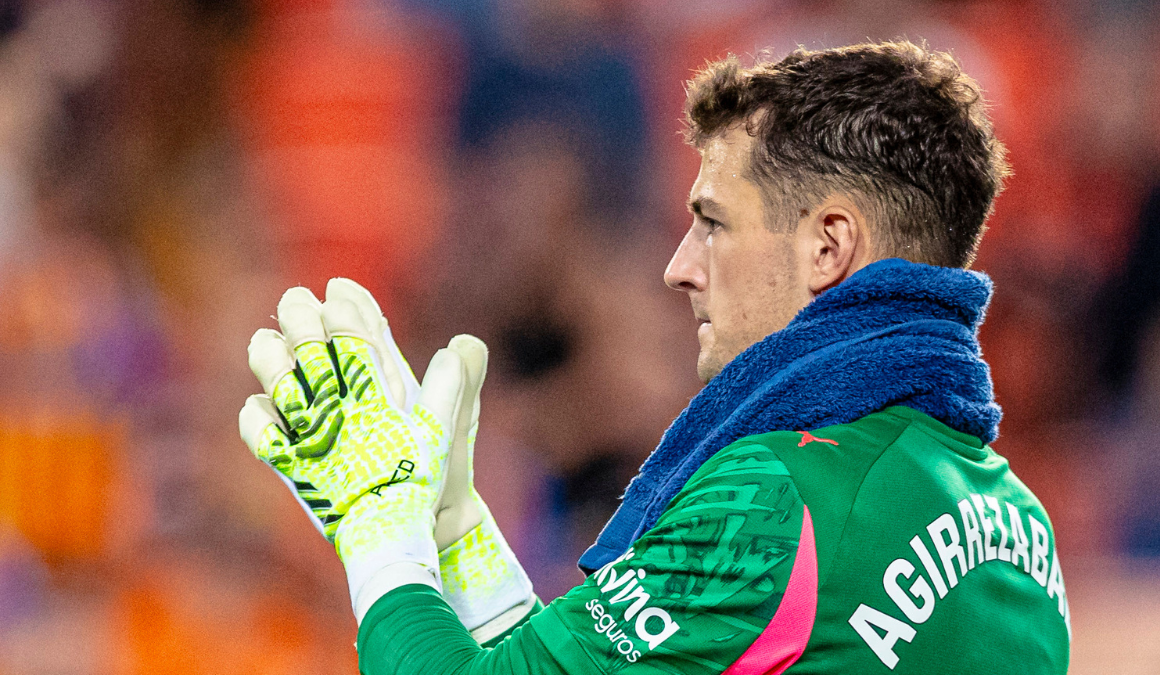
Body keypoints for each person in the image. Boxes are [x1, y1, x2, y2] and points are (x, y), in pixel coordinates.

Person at [239, 41, 1070, 674]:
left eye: (713, 222)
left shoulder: (777, 502)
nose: (680, 266)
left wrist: (379, 534)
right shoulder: (1021, 528)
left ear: (828, 246)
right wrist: (463, 555)